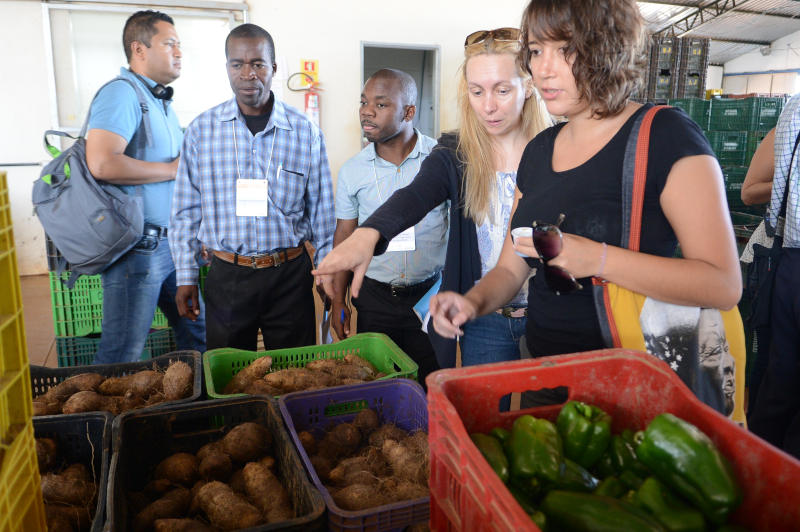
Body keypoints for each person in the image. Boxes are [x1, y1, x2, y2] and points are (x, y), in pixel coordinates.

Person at [428, 0, 742, 414]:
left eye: (566, 50)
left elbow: (722, 283)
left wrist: (595, 257)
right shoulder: (540, 151)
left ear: (609, 49)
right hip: (547, 374)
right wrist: (472, 302)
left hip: (631, 383)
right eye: (537, 51)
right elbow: (510, 268)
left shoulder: (665, 135)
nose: (543, 69)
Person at [314, 28, 551, 371]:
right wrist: (370, 234)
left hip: (548, 313)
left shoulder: (555, 151)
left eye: (502, 90)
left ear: (528, 86)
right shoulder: (456, 154)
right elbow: (415, 195)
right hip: (484, 317)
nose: (488, 106)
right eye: (476, 91)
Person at [170, 23, 334, 351]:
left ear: (273, 68)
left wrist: (327, 273)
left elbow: (323, 213)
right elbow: (185, 210)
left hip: (289, 275)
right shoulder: (202, 131)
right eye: (238, 64)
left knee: (294, 371)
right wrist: (185, 275)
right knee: (231, 376)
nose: (248, 74)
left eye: (258, 64)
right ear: (227, 68)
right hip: (228, 275)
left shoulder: (305, 133)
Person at [86, 10, 205, 364]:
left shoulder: (159, 101)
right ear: (139, 49)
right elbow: (103, 162)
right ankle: (100, 419)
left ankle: (194, 410)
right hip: (137, 249)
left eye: (180, 45)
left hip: (171, 245)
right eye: (170, 44)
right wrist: (172, 169)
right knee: (123, 350)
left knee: (198, 333)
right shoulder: (122, 95)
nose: (179, 52)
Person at [332, 69, 446, 384]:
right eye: (363, 102)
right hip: (375, 299)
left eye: (381, 105)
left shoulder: (441, 162)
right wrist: (339, 300)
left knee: (432, 385)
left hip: (429, 298)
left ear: (409, 112)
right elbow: (344, 236)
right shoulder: (353, 171)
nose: (367, 111)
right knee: (377, 384)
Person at [748, 94, 800, 458]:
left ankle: (765, 467)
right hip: (787, 256)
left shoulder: (795, 108)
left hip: (791, 261)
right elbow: (749, 192)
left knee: (780, 378)